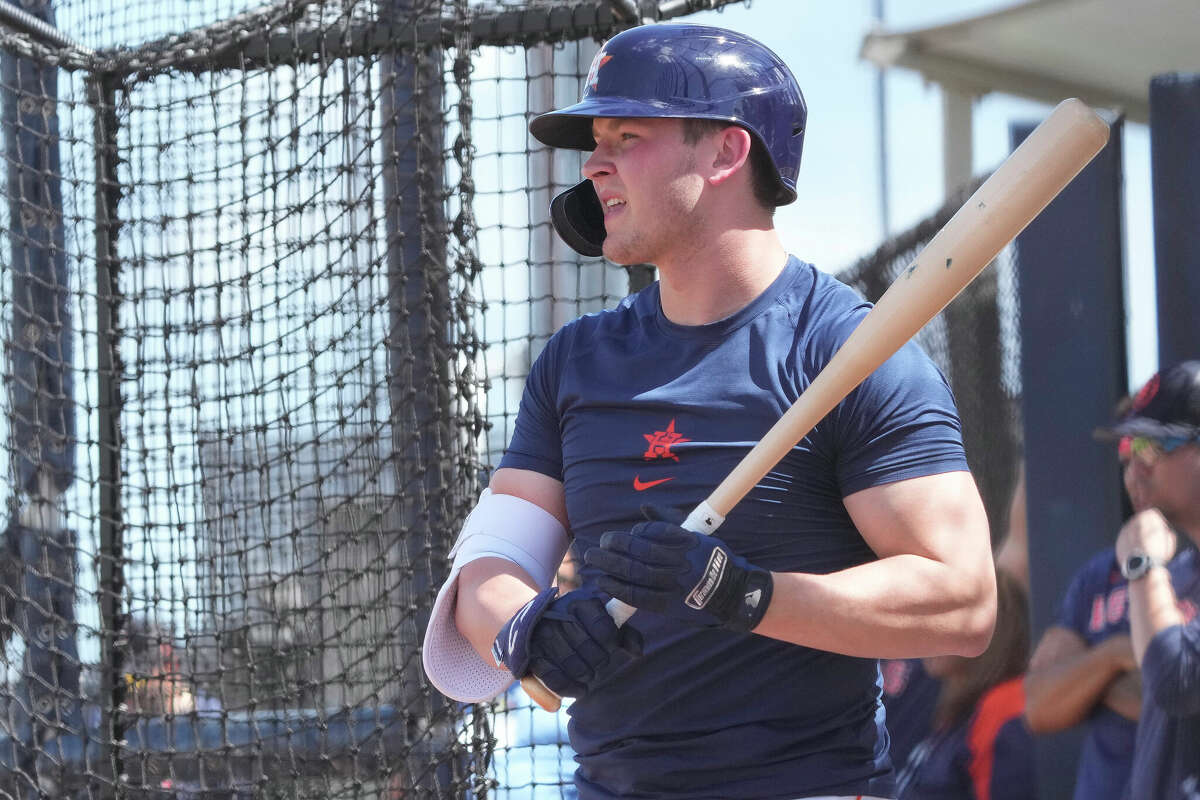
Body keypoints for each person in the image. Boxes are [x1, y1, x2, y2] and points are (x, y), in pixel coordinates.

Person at [423, 23, 996, 800]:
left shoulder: (848, 349)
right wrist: (529, 628)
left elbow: (962, 600)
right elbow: (488, 564)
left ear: (726, 153)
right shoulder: (575, 362)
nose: (594, 163)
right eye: (596, 139)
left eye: (627, 136)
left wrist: (742, 594)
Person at [1097, 361, 1200, 800]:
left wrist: (1140, 561)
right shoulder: (1177, 575)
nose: (1135, 469)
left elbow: (1175, 680)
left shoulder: (1153, 570)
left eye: (1153, 446)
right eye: (1130, 448)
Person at [1022, 444, 1144, 800]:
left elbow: (1175, 698)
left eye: (1155, 450)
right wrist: (1115, 653)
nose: (1136, 473)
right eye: (1127, 457)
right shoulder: (1102, 572)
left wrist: (1085, 679)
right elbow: (1040, 704)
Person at [895, 569, 1037, 800]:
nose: (924, 630)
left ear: (990, 624)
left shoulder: (1005, 704)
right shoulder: (957, 709)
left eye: (940, 617)